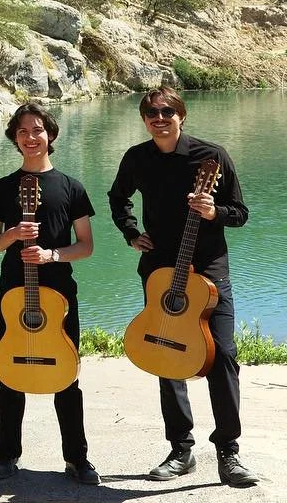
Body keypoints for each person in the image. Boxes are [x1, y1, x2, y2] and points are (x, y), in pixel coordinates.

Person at [108, 86, 259, 488]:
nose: (159, 118)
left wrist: (215, 211)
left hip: (209, 273)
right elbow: (117, 197)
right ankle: (181, 449)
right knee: (166, 353)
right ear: (144, 119)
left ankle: (229, 450)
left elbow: (241, 213)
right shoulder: (136, 158)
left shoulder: (211, 157)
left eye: (166, 112)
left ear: (181, 115)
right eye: (151, 113)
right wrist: (130, 232)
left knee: (223, 356)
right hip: (160, 269)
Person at [0, 103, 98, 485]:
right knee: (10, 374)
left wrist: (51, 255)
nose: (30, 138)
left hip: (59, 294)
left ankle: (77, 459)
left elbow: (85, 247)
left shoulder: (71, 188)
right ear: (15, 139)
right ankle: (6, 454)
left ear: (50, 134)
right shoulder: (2, 188)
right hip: (15, 293)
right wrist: (14, 234)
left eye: (37, 130)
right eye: (22, 132)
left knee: (67, 376)